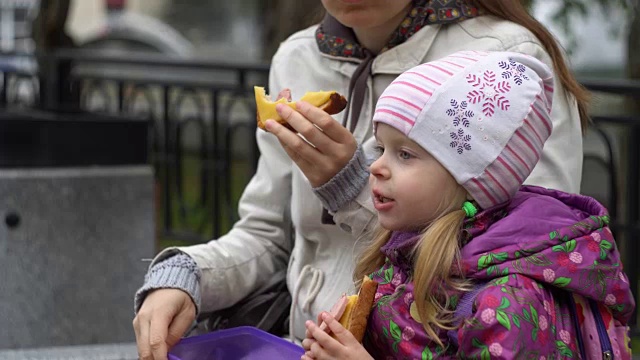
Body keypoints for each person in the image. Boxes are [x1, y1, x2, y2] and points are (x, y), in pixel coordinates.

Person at [133, 1, 590, 359]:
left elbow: (521, 255)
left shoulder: (508, 64)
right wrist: (186, 276)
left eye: (406, 152)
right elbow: (269, 235)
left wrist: (350, 188)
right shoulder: (296, 57)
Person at [301, 50, 634, 359]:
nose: (376, 167)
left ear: (471, 181)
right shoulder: (406, 252)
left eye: (405, 154)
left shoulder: (509, 301)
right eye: (381, 149)